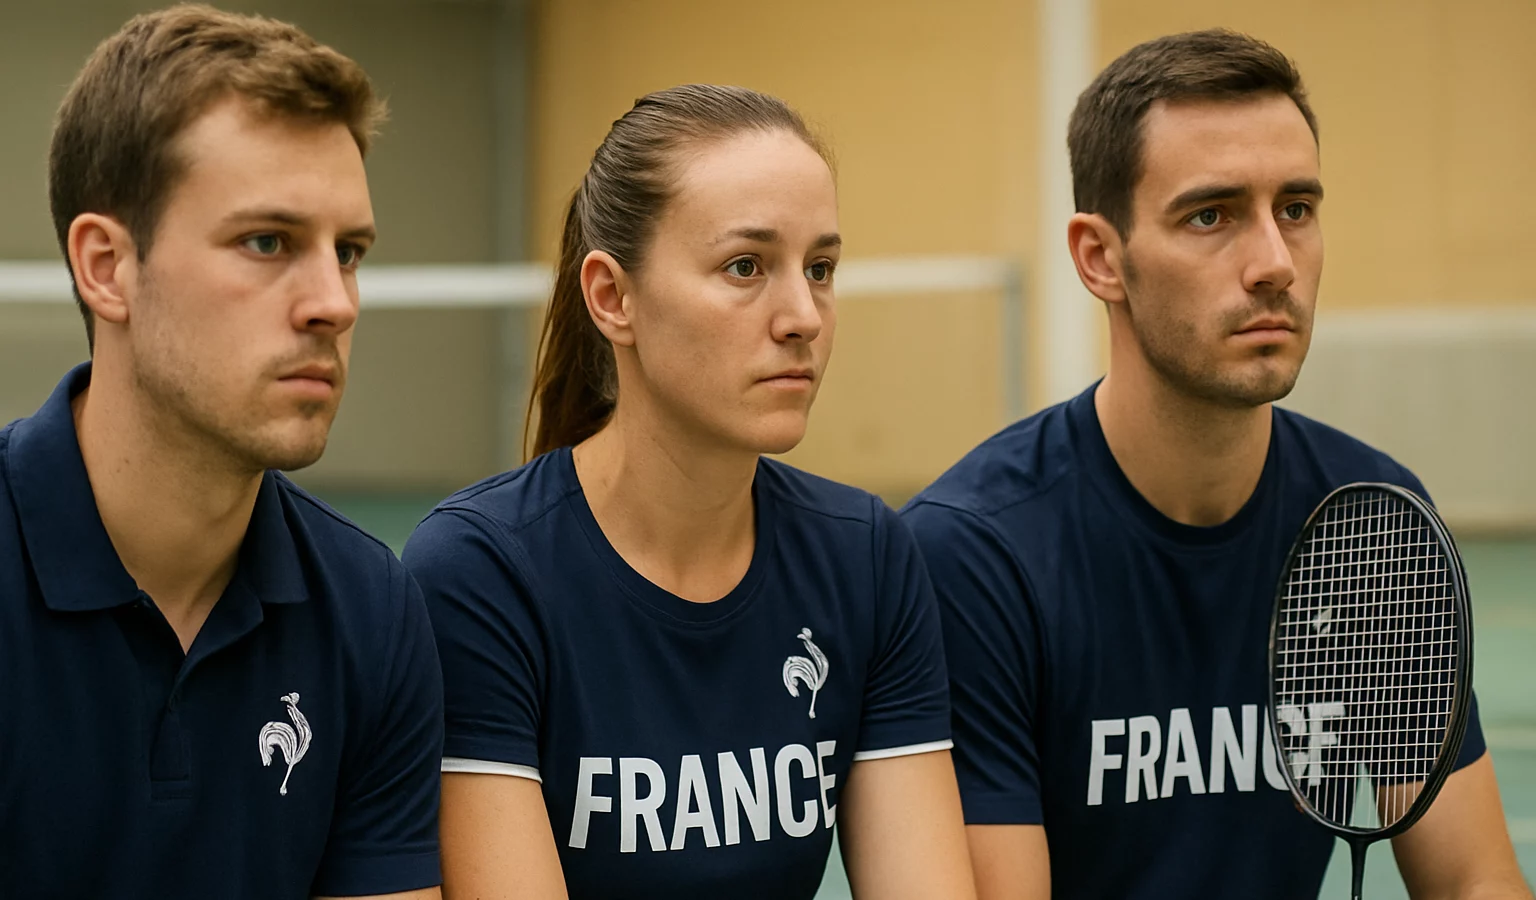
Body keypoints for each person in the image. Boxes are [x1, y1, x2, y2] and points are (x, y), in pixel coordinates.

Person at [901, 29, 1530, 900]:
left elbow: (1472, 880)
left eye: (1296, 209)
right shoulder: (973, 556)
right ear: (1100, 258)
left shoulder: (1370, 520)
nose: (1274, 263)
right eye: (1212, 215)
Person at [402, 84, 976, 900]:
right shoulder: (481, 572)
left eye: (820, 269)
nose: (803, 316)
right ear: (613, 297)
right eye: (746, 267)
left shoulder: (867, 556)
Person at [0, 6, 443, 898]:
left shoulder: (370, 609)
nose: (334, 303)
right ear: (106, 266)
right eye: (267, 241)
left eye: (348, 251)